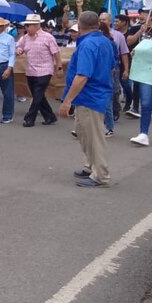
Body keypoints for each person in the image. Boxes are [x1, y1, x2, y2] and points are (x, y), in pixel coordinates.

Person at [60, 11, 115, 187]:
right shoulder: (104, 41)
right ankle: (91, 165)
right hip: (93, 94)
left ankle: (100, 175)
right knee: (83, 132)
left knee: (94, 137)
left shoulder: (88, 44)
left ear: (80, 25)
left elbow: (82, 76)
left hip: (90, 96)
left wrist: (67, 100)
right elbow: (112, 66)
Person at [16, 14, 61, 127]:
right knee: (39, 96)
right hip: (31, 70)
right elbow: (19, 46)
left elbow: (56, 53)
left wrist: (59, 67)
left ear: (37, 25)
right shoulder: (25, 38)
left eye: (28, 25)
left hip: (45, 70)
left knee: (37, 94)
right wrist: (19, 50)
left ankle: (30, 118)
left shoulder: (48, 37)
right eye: (26, 25)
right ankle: (50, 116)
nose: (26, 27)